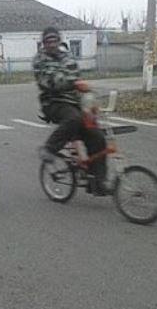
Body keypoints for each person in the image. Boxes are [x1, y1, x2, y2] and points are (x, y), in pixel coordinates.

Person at [33, 26, 111, 195]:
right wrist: (74, 83)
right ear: (44, 43)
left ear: (59, 41)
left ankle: (97, 182)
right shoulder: (40, 60)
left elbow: (78, 78)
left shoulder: (68, 58)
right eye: (48, 41)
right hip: (53, 103)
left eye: (55, 40)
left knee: (97, 137)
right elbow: (49, 82)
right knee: (74, 119)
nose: (52, 44)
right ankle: (49, 148)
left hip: (74, 103)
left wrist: (89, 104)